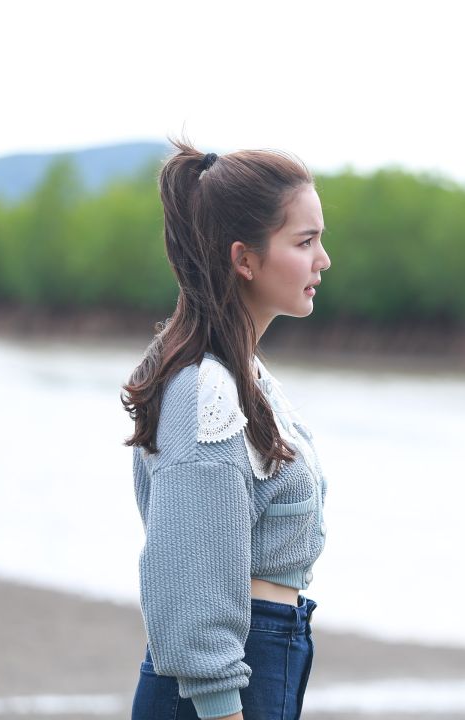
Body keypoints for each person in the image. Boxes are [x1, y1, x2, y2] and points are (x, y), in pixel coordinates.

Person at [122, 139, 331, 720]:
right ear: (244, 259)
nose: (323, 260)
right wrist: (221, 703)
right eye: (305, 241)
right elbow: (189, 575)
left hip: (262, 657)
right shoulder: (204, 390)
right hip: (221, 687)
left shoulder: (245, 378)